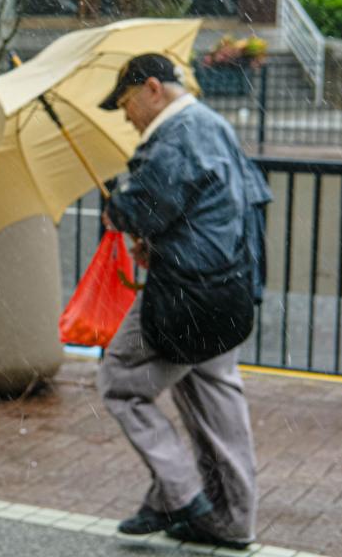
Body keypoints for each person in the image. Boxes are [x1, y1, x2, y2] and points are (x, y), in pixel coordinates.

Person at [97, 53, 272, 551]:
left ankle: (180, 494)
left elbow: (140, 208)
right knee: (214, 400)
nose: (126, 115)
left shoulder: (177, 136)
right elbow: (217, 206)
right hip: (230, 285)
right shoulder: (214, 126)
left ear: (153, 88)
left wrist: (118, 204)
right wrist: (159, 240)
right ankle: (232, 518)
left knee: (120, 383)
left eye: (127, 103)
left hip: (187, 292)